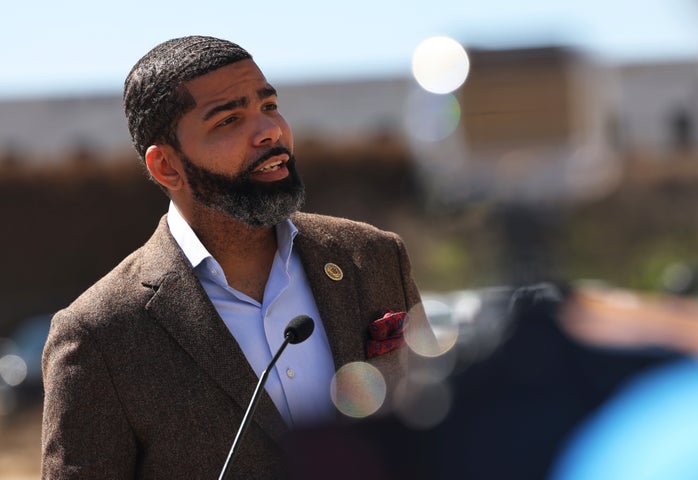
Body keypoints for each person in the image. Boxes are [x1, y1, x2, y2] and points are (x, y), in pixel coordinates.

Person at [41, 35, 432, 479]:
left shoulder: (374, 257)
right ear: (166, 166)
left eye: (268, 106)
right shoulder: (99, 335)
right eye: (229, 120)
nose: (270, 131)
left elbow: (442, 432)